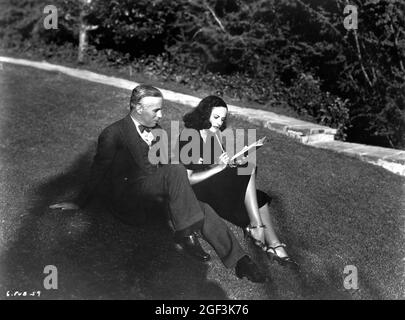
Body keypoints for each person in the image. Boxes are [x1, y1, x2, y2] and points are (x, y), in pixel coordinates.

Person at [49, 84, 266, 283]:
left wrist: (210, 167)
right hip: (129, 197)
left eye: (161, 110)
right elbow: (99, 168)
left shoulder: (158, 131)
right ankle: (186, 234)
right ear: (137, 108)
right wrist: (79, 202)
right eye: (156, 111)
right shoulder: (114, 133)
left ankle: (241, 261)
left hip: (155, 191)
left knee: (203, 206)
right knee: (177, 173)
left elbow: (168, 166)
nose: (161, 115)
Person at [179, 95, 297, 268]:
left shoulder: (215, 134)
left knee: (257, 193)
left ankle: (275, 246)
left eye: (223, 118)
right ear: (205, 115)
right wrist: (218, 168)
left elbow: (217, 162)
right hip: (199, 190)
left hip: (214, 185)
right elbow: (188, 179)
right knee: (247, 169)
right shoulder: (190, 136)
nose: (220, 122)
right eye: (216, 117)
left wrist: (230, 162)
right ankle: (256, 225)